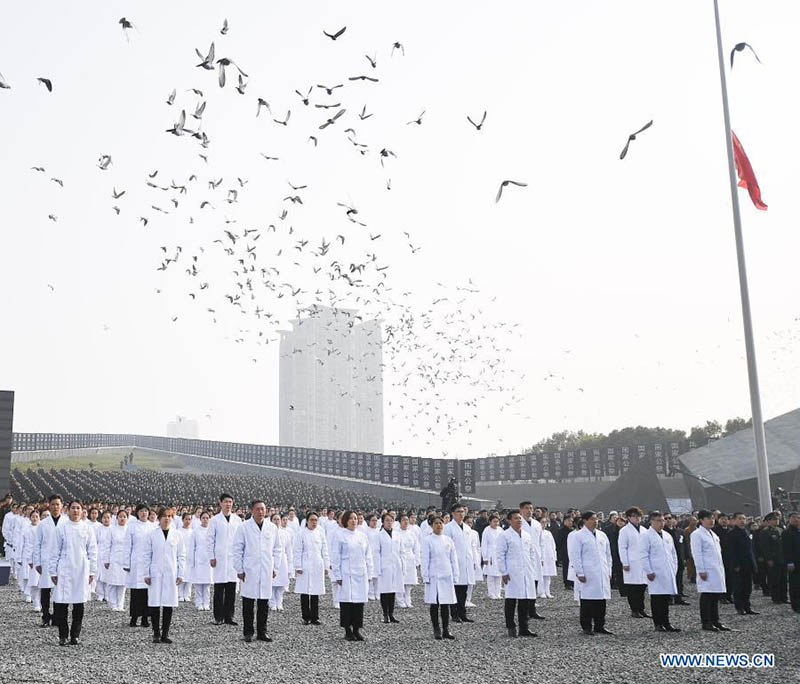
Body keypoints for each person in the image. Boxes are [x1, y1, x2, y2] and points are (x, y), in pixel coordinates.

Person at [49, 500, 98, 646]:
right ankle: (62, 635)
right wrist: (53, 571)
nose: (75, 511)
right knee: (62, 604)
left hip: (82, 568)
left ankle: (75, 635)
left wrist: (92, 571)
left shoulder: (87, 529)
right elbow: (54, 551)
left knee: (79, 604)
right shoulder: (61, 528)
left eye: (78, 508)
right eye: (73, 508)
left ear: (83, 511)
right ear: (68, 510)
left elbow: (93, 550)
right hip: (64, 567)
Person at [232, 500, 282, 642]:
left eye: (263, 509)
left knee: (263, 602)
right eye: (258, 509)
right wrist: (239, 568)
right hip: (250, 569)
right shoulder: (244, 527)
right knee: (248, 602)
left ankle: (262, 632)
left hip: (266, 568)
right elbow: (237, 549)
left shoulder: (272, 528)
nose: (261, 512)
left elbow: (277, 548)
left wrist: (275, 567)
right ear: (252, 511)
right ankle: (248, 632)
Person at [143, 507, 185, 644]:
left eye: (169, 516)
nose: (167, 518)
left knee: (169, 603)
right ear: (159, 518)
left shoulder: (177, 535)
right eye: (164, 516)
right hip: (155, 572)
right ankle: (156, 632)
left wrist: (181, 573)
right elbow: (146, 555)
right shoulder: (152, 535)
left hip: (171, 573)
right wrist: (146, 573)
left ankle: (165, 633)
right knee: (155, 603)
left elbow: (181, 556)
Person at [567, 511, 613, 636]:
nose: (595, 521)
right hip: (588, 572)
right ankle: (586, 626)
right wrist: (579, 572)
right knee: (587, 601)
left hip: (602, 572)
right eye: (592, 519)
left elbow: (608, 554)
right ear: (585, 520)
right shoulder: (578, 536)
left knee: (601, 601)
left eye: (596, 519)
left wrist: (609, 569)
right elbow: (575, 556)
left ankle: (600, 625)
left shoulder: (602, 535)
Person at [330, 510, 373, 641]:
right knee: (347, 602)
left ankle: (357, 629)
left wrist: (370, 572)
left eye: (355, 518)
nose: (354, 521)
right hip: (346, 573)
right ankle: (347, 629)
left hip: (360, 573)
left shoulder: (362, 536)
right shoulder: (340, 535)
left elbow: (368, 555)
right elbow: (336, 556)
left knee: (359, 603)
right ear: (345, 521)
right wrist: (337, 575)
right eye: (351, 518)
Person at [496, 510, 538, 638]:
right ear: (509, 520)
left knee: (525, 600)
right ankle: (511, 626)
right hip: (512, 571)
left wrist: (532, 567)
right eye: (516, 518)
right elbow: (500, 554)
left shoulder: (526, 535)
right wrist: (503, 571)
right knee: (511, 600)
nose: (519, 520)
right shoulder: (505, 535)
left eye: (520, 518)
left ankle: (524, 627)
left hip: (526, 570)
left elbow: (531, 552)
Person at [690, 509, 730, 632]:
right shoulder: (697, 534)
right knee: (707, 595)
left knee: (715, 595)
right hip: (706, 569)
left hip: (716, 568)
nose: (712, 520)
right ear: (701, 520)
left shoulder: (713, 534)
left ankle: (715, 620)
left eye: (713, 518)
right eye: (709, 518)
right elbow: (696, 553)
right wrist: (701, 570)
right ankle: (706, 622)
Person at [639, 511, 680, 632]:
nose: (661, 523)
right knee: (657, 598)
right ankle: (658, 623)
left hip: (668, 570)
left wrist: (674, 568)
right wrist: (648, 570)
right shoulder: (646, 536)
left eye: (663, 520)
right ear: (651, 522)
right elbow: (643, 555)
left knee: (666, 598)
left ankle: (666, 622)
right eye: (658, 521)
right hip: (655, 572)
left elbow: (673, 554)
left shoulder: (667, 535)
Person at [207, 493, 243, 625]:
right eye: (226, 502)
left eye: (230, 502)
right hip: (220, 558)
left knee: (231, 589)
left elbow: (240, 540)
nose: (228, 504)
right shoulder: (215, 520)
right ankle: (218, 617)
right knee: (219, 589)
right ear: (220, 503)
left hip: (233, 558)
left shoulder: (237, 520)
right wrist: (212, 556)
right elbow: (210, 540)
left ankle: (229, 616)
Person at [421, 516, 457, 640]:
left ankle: (446, 629)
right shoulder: (428, 540)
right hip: (434, 575)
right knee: (435, 604)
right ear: (432, 525)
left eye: (441, 523)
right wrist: (425, 576)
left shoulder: (448, 540)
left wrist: (455, 574)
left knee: (445, 603)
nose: (439, 525)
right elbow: (425, 559)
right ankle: (436, 629)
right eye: (436, 523)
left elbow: (453, 559)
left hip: (446, 575)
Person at [33, 494, 64, 627]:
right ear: (48, 505)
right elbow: (37, 544)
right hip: (45, 560)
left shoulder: (66, 523)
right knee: (45, 589)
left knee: (59, 589)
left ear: (62, 506)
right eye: (53, 504)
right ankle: (45, 616)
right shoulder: (43, 524)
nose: (55, 507)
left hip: (61, 561)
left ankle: (57, 617)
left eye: (58, 504)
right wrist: (37, 562)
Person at [293, 511, 329, 625]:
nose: (314, 522)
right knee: (305, 592)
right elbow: (297, 550)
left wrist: (326, 565)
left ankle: (315, 617)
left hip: (317, 564)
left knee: (315, 591)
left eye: (316, 520)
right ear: (307, 521)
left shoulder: (320, 533)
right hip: (305, 565)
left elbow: (325, 550)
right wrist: (298, 565)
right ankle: (306, 617)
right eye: (312, 520)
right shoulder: (301, 533)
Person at [443, 504, 475, 623]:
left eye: (463, 511)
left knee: (464, 590)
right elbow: (446, 546)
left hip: (466, 562)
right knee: (455, 589)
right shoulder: (448, 528)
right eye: (458, 511)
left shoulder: (467, 528)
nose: (461, 514)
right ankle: (454, 613)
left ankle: (463, 613)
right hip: (454, 562)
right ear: (453, 513)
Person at [724, 512, 758, 616]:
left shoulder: (746, 532)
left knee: (747, 587)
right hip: (738, 566)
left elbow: (750, 550)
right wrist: (735, 565)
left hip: (748, 564)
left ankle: (747, 607)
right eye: (739, 518)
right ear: (734, 520)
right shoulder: (732, 534)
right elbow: (731, 551)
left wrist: (754, 564)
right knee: (739, 587)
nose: (742, 521)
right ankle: (739, 607)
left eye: (744, 518)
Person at [125, 504, 153, 628]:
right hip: (136, 561)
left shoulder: (153, 527)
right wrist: (126, 563)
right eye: (141, 511)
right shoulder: (132, 527)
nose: (144, 513)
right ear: (137, 513)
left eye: (146, 511)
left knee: (147, 591)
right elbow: (127, 546)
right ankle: (134, 617)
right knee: (136, 591)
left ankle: (145, 618)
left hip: (148, 562)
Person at [618, 506, 649, 618]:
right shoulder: (624, 531)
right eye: (634, 516)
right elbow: (622, 547)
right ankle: (634, 609)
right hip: (631, 562)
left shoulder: (645, 530)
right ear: (629, 518)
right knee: (633, 588)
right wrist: (624, 562)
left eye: (638, 516)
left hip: (642, 562)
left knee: (642, 587)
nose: (637, 518)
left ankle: (641, 609)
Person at [519, 501, 545, 620]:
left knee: (534, 582)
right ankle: (524, 611)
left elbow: (541, 542)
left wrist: (542, 557)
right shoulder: (518, 523)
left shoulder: (536, 524)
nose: (529, 510)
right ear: (521, 510)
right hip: (523, 557)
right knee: (524, 584)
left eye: (531, 508)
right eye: (526, 508)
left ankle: (532, 609)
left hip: (536, 557)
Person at [376, 512, 404, 623]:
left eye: (391, 520)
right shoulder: (379, 535)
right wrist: (378, 568)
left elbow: (401, 551)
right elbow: (377, 552)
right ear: (383, 522)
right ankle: (385, 614)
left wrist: (402, 565)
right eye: (387, 520)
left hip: (395, 565)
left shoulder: (397, 535)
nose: (389, 522)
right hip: (385, 565)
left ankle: (391, 614)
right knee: (385, 590)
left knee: (393, 590)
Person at [102, 508, 129, 611]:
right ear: (117, 518)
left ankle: (120, 604)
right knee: (112, 583)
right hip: (113, 558)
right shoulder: (112, 529)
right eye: (120, 516)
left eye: (124, 517)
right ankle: (113, 604)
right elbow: (107, 545)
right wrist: (106, 560)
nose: (122, 518)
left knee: (122, 584)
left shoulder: (129, 530)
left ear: (127, 518)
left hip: (124, 559)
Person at [188, 510, 213, 611]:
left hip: (208, 560)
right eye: (203, 518)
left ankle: (206, 603)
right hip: (198, 559)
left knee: (207, 585)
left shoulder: (212, 531)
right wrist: (192, 561)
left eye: (207, 518)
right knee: (198, 584)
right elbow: (191, 547)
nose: (205, 520)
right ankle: (199, 603)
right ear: (200, 519)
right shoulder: (195, 531)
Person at [761, 512, 787, 604]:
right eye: (774, 519)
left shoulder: (781, 530)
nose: (776, 521)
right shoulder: (765, 532)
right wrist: (769, 559)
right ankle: (776, 598)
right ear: (769, 521)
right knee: (774, 579)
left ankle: (784, 597)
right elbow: (765, 547)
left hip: (782, 558)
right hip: (773, 559)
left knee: (783, 579)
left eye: (777, 519)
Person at [663, 514, 689, 605]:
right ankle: (669, 597)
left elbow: (685, 545)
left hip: (679, 558)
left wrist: (686, 556)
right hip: (668, 559)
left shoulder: (680, 531)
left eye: (670, 518)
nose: (668, 520)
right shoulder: (663, 532)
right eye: (665, 519)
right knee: (669, 578)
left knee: (679, 578)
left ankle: (678, 596)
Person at [270, 512, 294, 612]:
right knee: (271, 583)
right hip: (271, 559)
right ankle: (272, 602)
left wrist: (290, 564)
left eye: (278, 519)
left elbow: (289, 549)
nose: (276, 521)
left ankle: (279, 602)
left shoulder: (285, 533)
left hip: (282, 560)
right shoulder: (268, 532)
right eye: (274, 519)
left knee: (280, 584)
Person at [397, 513, 419, 608]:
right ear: (399, 522)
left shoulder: (411, 533)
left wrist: (417, 560)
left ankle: (408, 599)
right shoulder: (396, 533)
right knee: (401, 580)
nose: (406, 522)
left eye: (407, 520)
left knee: (409, 581)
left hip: (410, 558)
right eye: (403, 520)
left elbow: (416, 547)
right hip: (400, 558)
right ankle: (400, 600)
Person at [20, 509, 41, 611]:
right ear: (30, 518)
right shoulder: (26, 529)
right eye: (33, 516)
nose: (35, 518)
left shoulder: (42, 528)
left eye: (37, 516)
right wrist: (19, 556)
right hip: (28, 555)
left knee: (40, 581)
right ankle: (31, 598)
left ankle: (41, 602)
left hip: (40, 557)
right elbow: (21, 543)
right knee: (30, 578)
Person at [481, 514, 503, 599]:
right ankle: (491, 593)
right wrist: (485, 557)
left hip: (499, 554)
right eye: (494, 521)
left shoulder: (500, 530)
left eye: (497, 521)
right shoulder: (487, 530)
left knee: (499, 575)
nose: (496, 523)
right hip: (490, 554)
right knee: (491, 575)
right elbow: (484, 544)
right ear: (490, 522)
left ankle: (498, 593)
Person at [783, 511, 800, 613]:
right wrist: (789, 562)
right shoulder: (787, 532)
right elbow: (786, 549)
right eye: (794, 517)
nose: (796, 519)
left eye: (798, 517)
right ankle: (796, 605)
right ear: (789, 519)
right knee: (795, 585)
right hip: (794, 562)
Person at [176, 512, 194, 602]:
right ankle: (180, 594)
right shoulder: (178, 531)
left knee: (189, 575)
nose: (188, 521)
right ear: (182, 520)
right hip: (181, 555)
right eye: (186, 519)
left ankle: (187, 594)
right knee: (181, 573)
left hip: (190, 555)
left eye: (189, 519)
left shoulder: (193, 531)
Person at [554, 515, 574, 590]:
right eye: (569, 520)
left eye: (571, 521)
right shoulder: (561, 531)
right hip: (565, 552)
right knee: (566, 567)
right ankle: (567, 583)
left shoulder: (572, 530)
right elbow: (558, 542)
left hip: (572, 551)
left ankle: (572, 582)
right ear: (565, 521)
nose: (570, 522)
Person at [539, 520, 557, 598]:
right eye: (542, 522)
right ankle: (541, 592)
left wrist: (554, 555)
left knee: (548, 575)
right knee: (541, 575)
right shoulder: (537, 533)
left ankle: (547, 591)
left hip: (549, 556)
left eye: (545, 522)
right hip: (541, 556)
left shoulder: (548, 533)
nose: (544, 524)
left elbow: (553, 544)